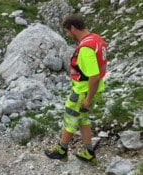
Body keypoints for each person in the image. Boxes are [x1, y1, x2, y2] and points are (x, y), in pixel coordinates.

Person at [44, 14, 107, 165]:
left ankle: (61, 149)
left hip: (82, 91)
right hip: (92, 90)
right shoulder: (96, 39)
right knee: (82, 119)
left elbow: (94, 76)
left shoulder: (85, 48)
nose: (67, 34)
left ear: (72, 28)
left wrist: (88, 99)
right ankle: (88, 151)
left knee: (70, 118)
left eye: (66, 31)